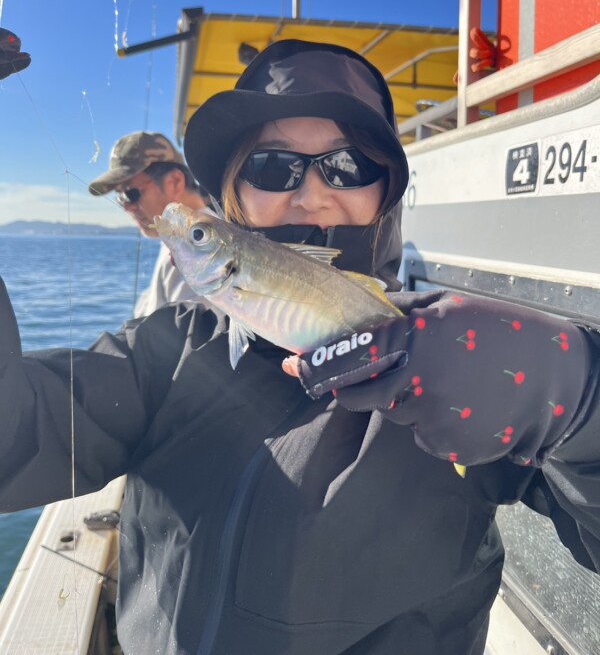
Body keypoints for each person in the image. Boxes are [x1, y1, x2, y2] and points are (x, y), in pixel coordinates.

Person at [1, 39, 599, 655]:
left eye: (347, 167)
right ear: (235, 196)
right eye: (272, 168)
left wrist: (577, 399)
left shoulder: (450, 360)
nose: (312, 196)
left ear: (387, 193)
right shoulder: (167, 350)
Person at [88, 131, 208, 316]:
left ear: (174, 182)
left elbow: (183, 339)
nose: (127, 207)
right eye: (120, 197)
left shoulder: (196, 246)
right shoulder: (176, 236)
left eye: (130, 193)